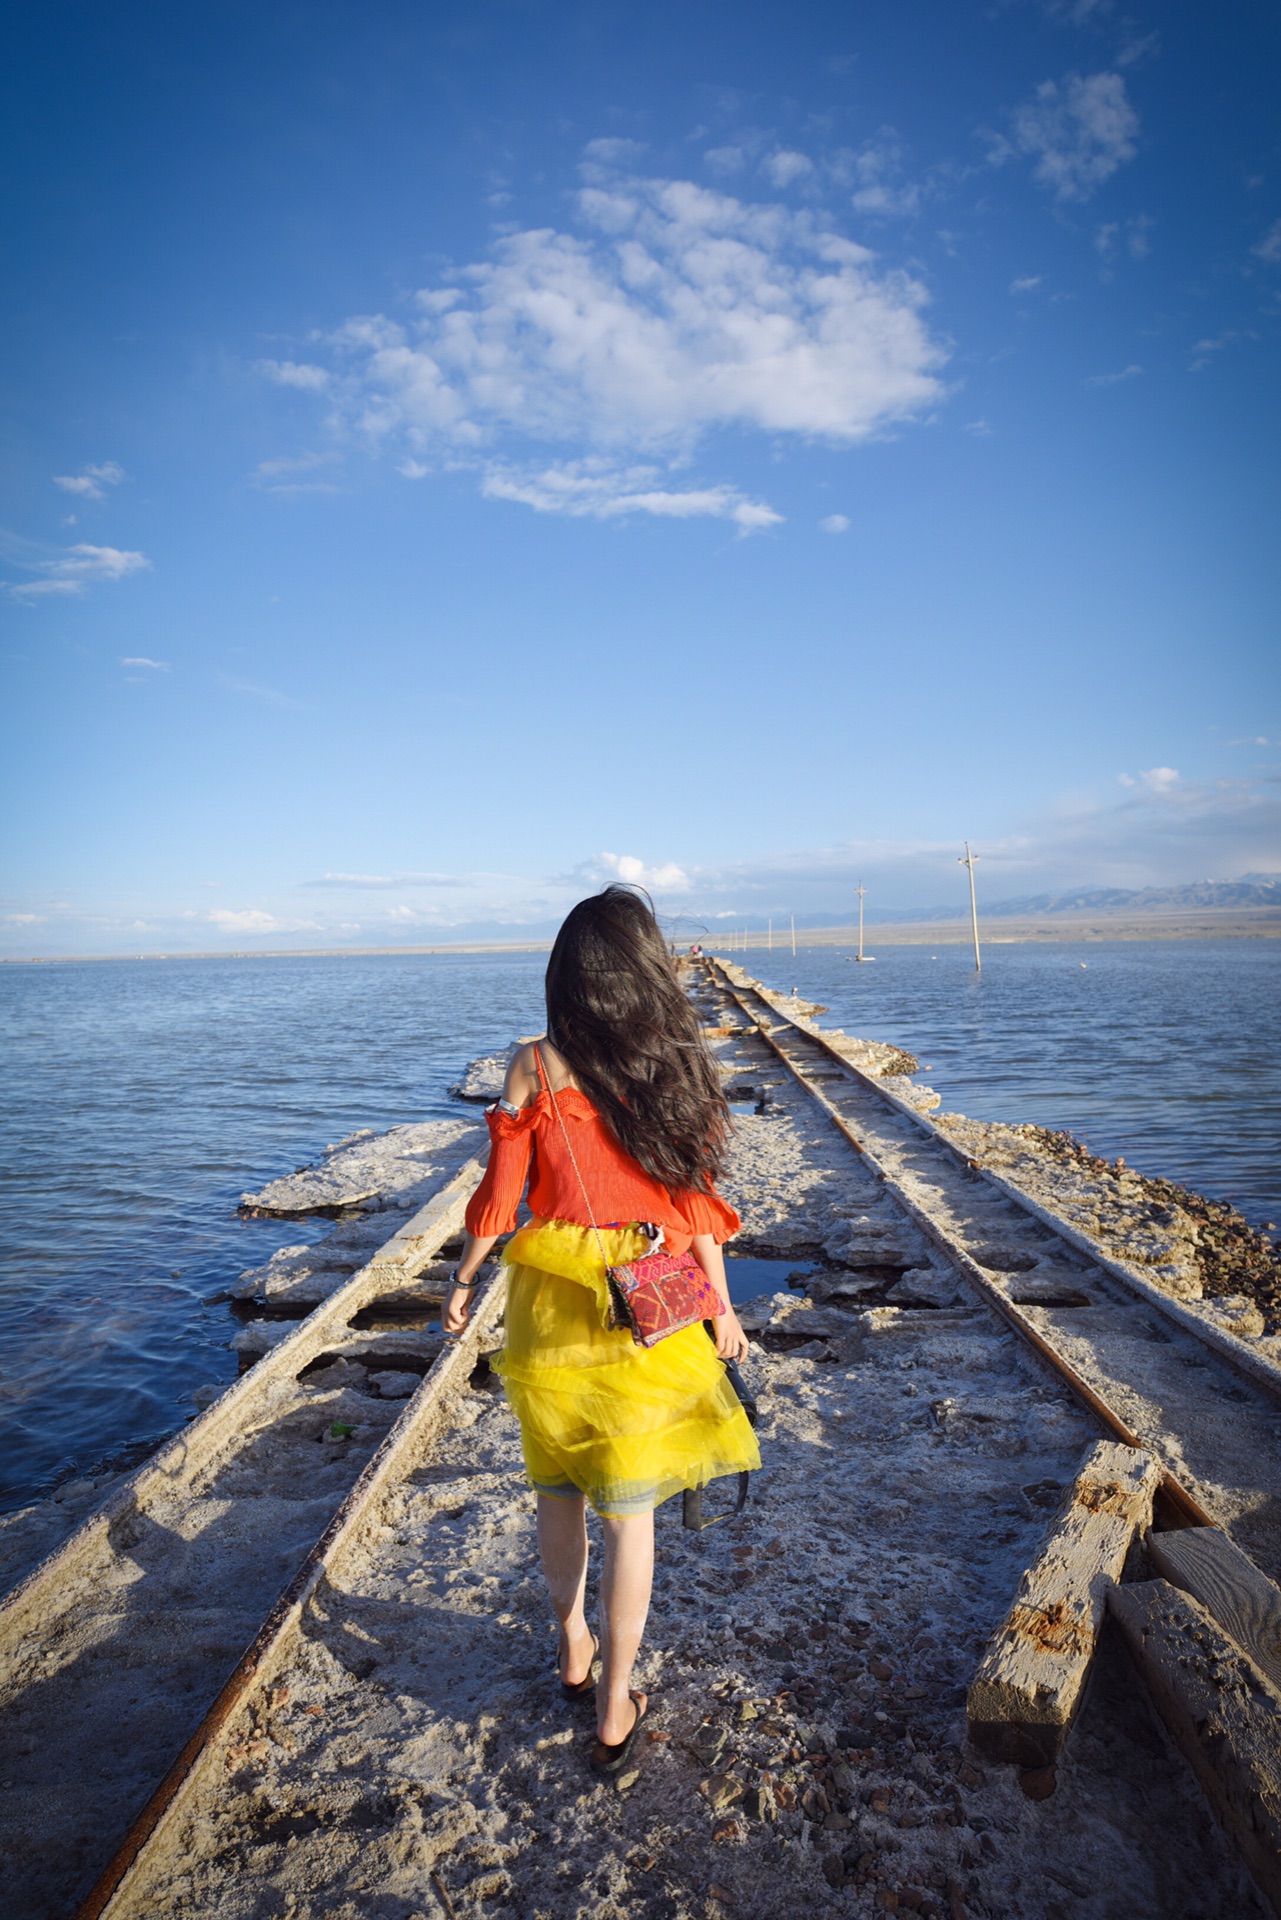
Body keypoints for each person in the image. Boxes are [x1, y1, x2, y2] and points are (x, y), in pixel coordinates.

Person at [442, 887, 759, 1778]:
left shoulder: (534, 1064)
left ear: (566, 977)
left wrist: (464, 1281)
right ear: (648, 971)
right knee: (630, 1516)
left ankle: (572, 1645)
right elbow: (696, 1211)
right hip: (647, 1308)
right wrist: (723, 1307)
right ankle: (616, 1705)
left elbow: (500, 1203)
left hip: (551, 1305)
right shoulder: (677, 1065)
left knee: (557, 1491)